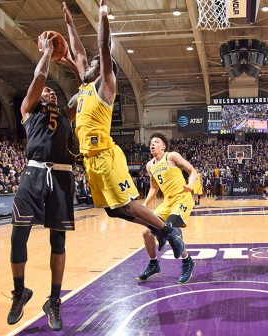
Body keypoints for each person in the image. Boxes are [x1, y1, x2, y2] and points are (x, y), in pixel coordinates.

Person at [63, 0, 185, 261]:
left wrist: (103, 14)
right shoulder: (84, 87)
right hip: (90, 159)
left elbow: (102, 47)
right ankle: (158, 227)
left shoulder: (105, 86)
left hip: (107, 156)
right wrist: (69, 22)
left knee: (127, 205)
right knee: (113, 211)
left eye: (95, 66)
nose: (88, 66)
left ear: (103, 72)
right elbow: (79, 52)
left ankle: (169, 230)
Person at [7, 31, 78, 332]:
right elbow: (39, 77)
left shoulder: (64, 114)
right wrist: (48, 52)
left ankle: (54, 300)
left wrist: (73, 63)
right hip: (33, 173)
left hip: (62, 177)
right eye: (46, 91)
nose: (50, 93)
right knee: (17, 237)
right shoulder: (28, 110)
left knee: (58, 242)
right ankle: (20, 292)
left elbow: (86, 90)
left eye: (53, 92)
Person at [138, 131, 197, 283]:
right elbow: (153, 189)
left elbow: (192, 171)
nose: (153, 144)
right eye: (151, 142)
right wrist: (144, 205)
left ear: (163, 146)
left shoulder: (171, 156)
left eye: (156, 142)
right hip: (167, 202)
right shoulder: (150, 165)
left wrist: (190, 185)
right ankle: (153, 264)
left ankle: (187, 261)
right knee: (146, 232)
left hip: (182, 198)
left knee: (170, 229)